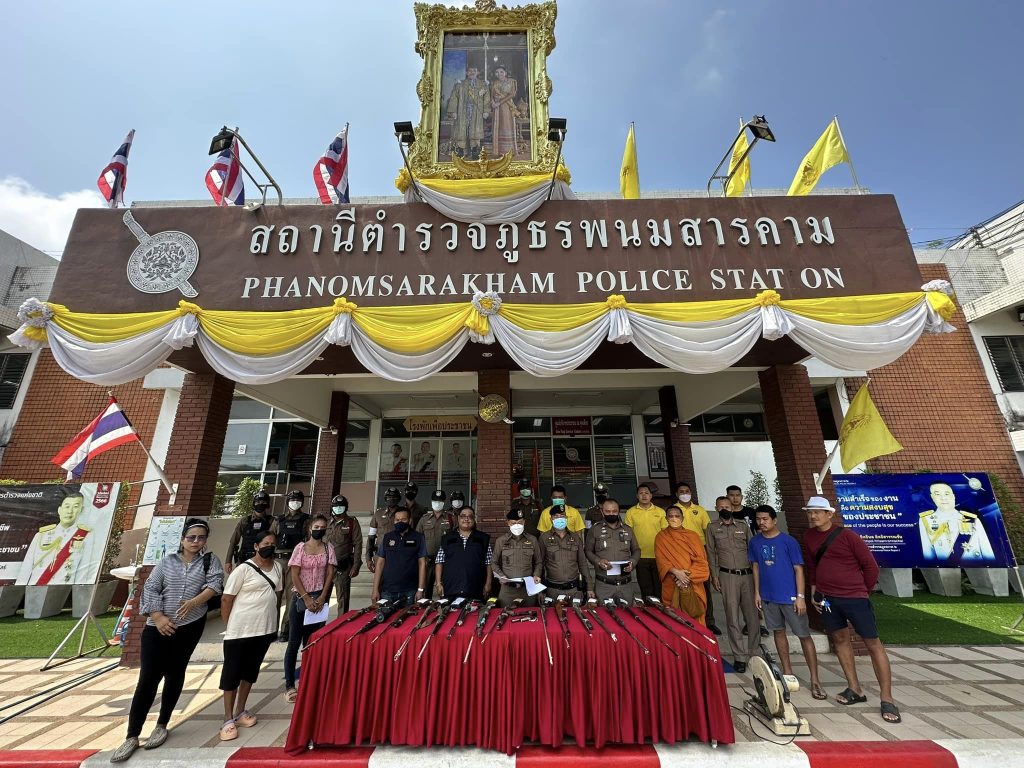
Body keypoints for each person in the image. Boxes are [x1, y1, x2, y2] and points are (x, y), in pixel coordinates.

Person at [110, 519, 222, 763]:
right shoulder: (167, 562)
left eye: (201, 537)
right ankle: (132, 735)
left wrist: (194, 602)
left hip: (189, 626)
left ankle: (162, 724)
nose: (196, 542)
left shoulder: (209, 561)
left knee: (175, 673)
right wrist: (159, 617)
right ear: (182, 539)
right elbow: (150, 589)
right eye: (191, 537)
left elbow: (214, 585)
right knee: (148, 679)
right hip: (157, 628)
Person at [802, 496, 900, 724]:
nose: (813, 516)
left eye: (817, 512)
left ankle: (887, 698)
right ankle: (854, 688)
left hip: (855, 598)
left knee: (872, 643)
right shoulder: (808, 537)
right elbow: (813, 566)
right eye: (810, 512)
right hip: (827, 599)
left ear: (829, 514)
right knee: (839, 639)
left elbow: (870, 566)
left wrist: (863, 590)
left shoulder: (848, 536)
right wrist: (815, 591)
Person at [749, 505, 825, 701]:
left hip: (790, 597)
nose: (761, 522)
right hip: (768, 596)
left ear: (774, 520)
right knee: (778, 632)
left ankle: (815, 679)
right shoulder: (755, 542)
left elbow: (799, 570)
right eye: (758, 519)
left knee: (803, 635)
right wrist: (757, 593)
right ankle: (787, 672)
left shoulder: (788, 541)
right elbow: (756, 567)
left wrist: (800, 596)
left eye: (765, 519)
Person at [218, 531, 282, 742]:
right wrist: (230, 625)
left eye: (272, 543)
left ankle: (240, 711)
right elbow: (226, 599)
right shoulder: (243, 569)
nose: (269, 546)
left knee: (250, 672)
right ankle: (227, 719)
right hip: (240, 630)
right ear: (256, 546)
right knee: (232, 674)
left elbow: (277, 594)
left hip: (263, 629)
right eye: (265, 543)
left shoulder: (277, 567)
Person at [283, 515, 336, 703]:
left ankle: (309, 681)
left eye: (322, 527)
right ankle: (290, 685)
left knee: (312, 643)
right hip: (300, 599)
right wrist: (306, 597)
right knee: (294, 643)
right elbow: (294, 574)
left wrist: (322, 597)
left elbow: (330, 573)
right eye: (316, 526)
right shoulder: (300, 548)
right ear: (309, 528)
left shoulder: (328, 549)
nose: (319, 529)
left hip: (319, 599)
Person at [706, 495, 758, 672]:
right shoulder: (712, 527)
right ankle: (739, 657)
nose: (724, 510)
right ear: (716, 509)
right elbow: (711, 553)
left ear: (732, 508)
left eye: (727, 507)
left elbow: (753, 550)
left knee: (752, 617)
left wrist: (757, 576)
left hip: (747, 575)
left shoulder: (743, 526)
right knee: (732, 617)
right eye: (721, 507)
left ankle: (754, 653)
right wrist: (714, 576)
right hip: (727, 575)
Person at [17, 492, 99, 585]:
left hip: (64, 590)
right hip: (36, 588)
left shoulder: (86, 536)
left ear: (81, 510)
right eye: (67, 506)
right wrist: (19, 590)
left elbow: (83, 572)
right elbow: (26, 568)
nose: (70, 511)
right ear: (59, 510)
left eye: (75, 507)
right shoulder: (41, 535)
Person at [671, 481, 717, 630]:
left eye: (687, 491)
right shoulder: (673, 511)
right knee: (683, 586)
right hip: (680, 552)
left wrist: (709, 551)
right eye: (681, 492)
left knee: (704, 587)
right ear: (676, 494)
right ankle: (686, 618)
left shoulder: (700, 510)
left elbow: (707, 531)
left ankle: (709, 621)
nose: (685, 494)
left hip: (699, 551)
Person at [654, 505, 710, 625]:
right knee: (673, 620)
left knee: (695, 617)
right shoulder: (661, 537)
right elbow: (661, 561)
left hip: (692, 582)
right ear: (666, 518)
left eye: (677, 516)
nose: (674, 518)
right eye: (670, 516)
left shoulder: (693, 536)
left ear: (682, 518)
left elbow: (701, 561)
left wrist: (686, 578)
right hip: (671, 581)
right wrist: (676, 572)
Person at [919, 481, 996, 563]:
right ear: (932, 497)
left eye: (947, 494)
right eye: (937, 494)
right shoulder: (926, 520)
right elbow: (928, 555)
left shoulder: (972, 519)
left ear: (953, 496)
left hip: (976, 566)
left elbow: (987, 552)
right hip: (946, 568)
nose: (943, 498)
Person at [270, 489, 310, 641]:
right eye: (293, 500)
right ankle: (271, 630)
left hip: (296, 561)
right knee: (275, 597)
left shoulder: (306, 519)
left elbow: (308, 540)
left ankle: (285, 630)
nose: (295, 502)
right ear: (287, 502)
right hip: (278, 560)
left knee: (291, 596)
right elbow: (270, 539)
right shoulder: (279, 520)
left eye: (298, 500)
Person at [586, 498, 641, 602]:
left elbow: (636, 550)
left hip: (625, 585)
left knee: (627, 611)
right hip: (604, 584)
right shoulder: (595, 529)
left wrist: (633, 562)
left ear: (619, 511)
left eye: (614, 511)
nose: (611, 514)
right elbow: (588, 551)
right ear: (602, 511)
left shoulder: (627, 529)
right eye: (607, 511)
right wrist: (598, 561)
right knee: (604, 612)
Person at [370, 508, 427, 603]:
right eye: (397, 520)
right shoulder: (387, 537)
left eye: (403, 519)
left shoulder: (418, 537)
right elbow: (380, 563)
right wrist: (375, 589)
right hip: (388, 590)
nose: (400, 522)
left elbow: (422, 563)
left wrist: (420, 589)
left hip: (410, 591)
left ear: (410, 520)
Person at [435, 506, 492, 600]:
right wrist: (438, 583)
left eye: (470, 516)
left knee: (475, 610)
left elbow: (489, 563)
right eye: (463, 516)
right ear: (458, 518)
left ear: (474, 519)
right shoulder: (447, 538)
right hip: (451, 588)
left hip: (476, 588)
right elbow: (439, 562)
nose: (466, 519)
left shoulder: (483, 538)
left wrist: (488, 583)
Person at [539, 505, 592, 602]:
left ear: (566, 518)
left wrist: (589, 587)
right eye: (556, 516)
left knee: (576, 611)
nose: (559, 518)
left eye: (562, 516)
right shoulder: (544, 538)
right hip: (553, 590)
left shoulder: (575, 537)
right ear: (551, 519)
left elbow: (582, 563)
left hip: (574, 589)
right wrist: (540, 590)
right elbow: (540, 564)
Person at [491, 509, 543, 606]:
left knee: (530, 614)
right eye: (513, 523)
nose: (517, 525)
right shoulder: (501, 541)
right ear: (508, 523)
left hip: (528, 589)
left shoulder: (532, 540)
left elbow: (539, 562)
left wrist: (536, 574)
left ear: (524, 522)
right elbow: (494, 562)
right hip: (507, 590)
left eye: (519, 522)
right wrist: (501, 576)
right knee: (505, 613)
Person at [624, 483, 667, 598]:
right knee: (645, 587)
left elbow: (665, 533)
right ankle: (648, 608)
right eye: (641, 493)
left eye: (646, 493)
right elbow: (628, 534)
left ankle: (660, 608)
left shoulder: (660, 512)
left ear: (651, 496)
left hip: (658, 554)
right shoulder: (631, 512)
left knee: (659, 587)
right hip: (640, 556)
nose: (644, 496)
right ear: (637, 496)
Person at [324, 494, 362, 614]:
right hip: (325, 567)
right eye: (336, 506)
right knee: (322, 598)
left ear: (346, 507)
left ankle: (341, 622)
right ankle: (319, 624)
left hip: (342, 567)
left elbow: (358, 544)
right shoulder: (326, 523)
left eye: (341, 506)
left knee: (343, 599)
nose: (338, 508)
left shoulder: (351, 522)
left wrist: (356, 565)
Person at [224, 489, 275, 574]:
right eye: (258, 502)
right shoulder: (245, 521)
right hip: (244, 559)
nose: (260, 504)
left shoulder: (272, 521)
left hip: (264, 560)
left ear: (267, 504)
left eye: (263, 502)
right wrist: (228, 561)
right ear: (254, 503)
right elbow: (233, 541)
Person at [446, 64, 489, 160]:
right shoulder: (460, 84)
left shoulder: (483, 85)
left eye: (474, 71)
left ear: (478, 72)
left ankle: (475, 150)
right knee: (461, 130)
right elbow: (454, 98)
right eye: (470, 71)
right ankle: (461, 150)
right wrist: (453, 111)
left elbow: (487, 99)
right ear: (466, 73)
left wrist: (486, 111)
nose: (472, 73)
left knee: (475, 130)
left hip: (477, 111)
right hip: (462, 110)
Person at [417, 489, 455, 597]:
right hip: (428, 560)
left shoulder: (451, 518)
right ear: (431, 501)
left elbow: (456, 537)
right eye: (435, 501)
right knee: (426, 590)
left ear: (444, 502)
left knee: (444, 589)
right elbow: (418, 538)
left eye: (440, 501)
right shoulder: (424, 519)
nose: (437, 503)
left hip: (445, 561)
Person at [366, 486, 403, 572]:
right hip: (380, 554)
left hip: (398, 554)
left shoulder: (404, 513)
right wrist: (368, 558)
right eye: (389, 497)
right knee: (379, 579)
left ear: (398, 499)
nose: (391, 499)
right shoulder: (378, 514)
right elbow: (371, 537)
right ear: (385, 498)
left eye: (394, 497)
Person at [489, 65, 519, 157]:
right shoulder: (494, 83)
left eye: (501, 72)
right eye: (497, 72)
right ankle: (498, 151)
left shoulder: (512, 81)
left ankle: (509, 150)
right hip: (496, 108)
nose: (499, 74)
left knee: (507, 125)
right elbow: (491, 95)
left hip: (507, 106)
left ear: (505, 72)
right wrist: (492, 103)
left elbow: (512, 94)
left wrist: (499, 102)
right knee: (498, 126)